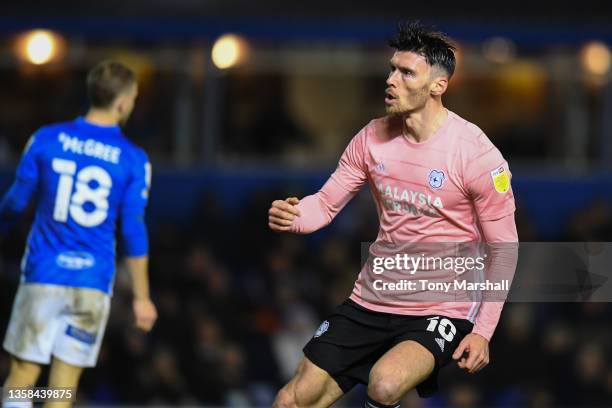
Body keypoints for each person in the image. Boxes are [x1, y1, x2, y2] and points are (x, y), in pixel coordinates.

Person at [268, 21, 518, 408]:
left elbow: (504, 249)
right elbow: (325, 204)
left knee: (384, 384)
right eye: (391, 69)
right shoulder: (371, 138)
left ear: (438, 86)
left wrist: (483, 331)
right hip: (372, 298)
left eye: (406, 73)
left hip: (442, 305)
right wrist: (295, 215)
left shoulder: (477, 155)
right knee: (290, 400)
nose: (391, 80)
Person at [0, 61, 157, 408]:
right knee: (62, 390)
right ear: (121, 103)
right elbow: (133, 228)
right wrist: (142, 297)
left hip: (44, 274)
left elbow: (14, 202)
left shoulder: (47, 138)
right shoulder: (132, 158)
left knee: (23, 377)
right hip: (91, 283)